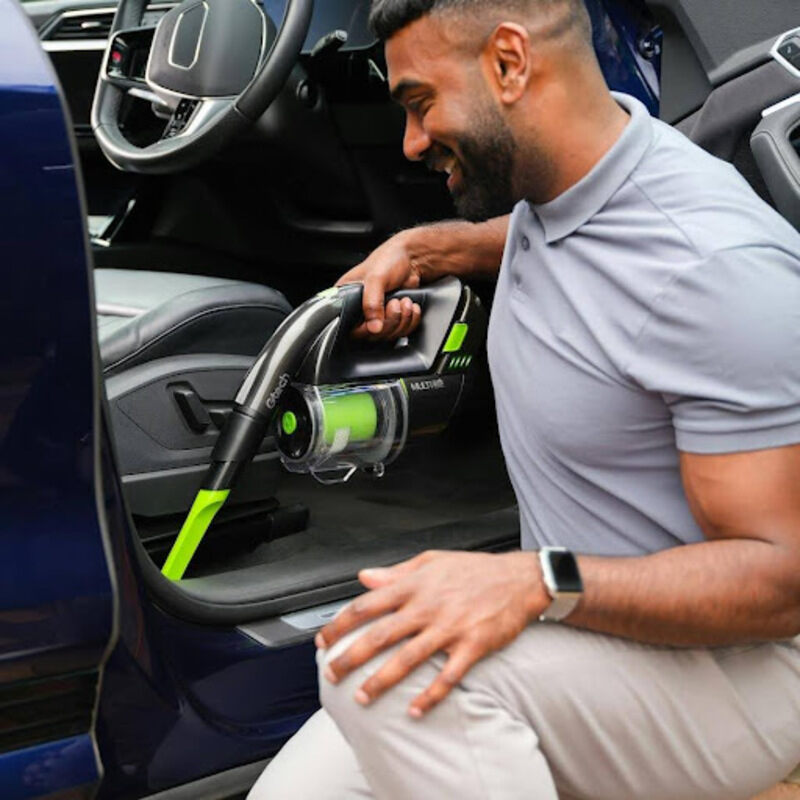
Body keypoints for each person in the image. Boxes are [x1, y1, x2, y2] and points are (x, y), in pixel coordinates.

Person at [249, 0, 800, 797]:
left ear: (509, 63)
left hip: (738, 671)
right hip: (589, 631)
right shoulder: (574, 186)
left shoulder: (711, 269)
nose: (410, 142)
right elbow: (557, 236)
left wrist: (536, 580)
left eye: (420, 103)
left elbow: (783, 582)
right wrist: (428, 248)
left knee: (392, 670)